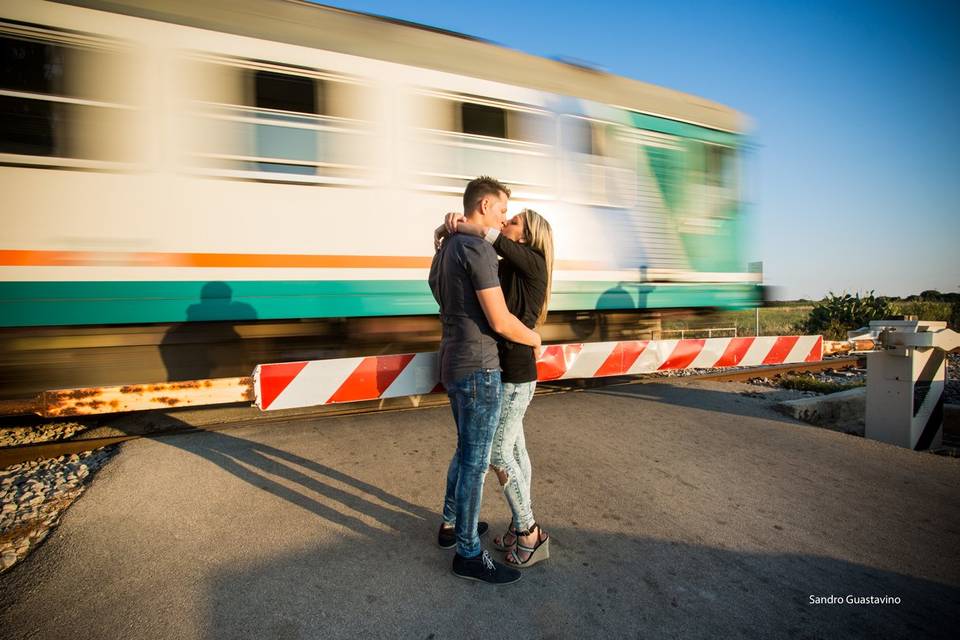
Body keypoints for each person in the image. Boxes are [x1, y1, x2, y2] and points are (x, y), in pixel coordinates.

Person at [429, 176, 541, 585]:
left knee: (465, 451)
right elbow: (499, 320)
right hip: (479, 366)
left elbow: (438, 290)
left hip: (452, 360)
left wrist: (444, 229)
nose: (503, 217)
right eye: (501, 210)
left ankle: (449, 525)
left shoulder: (445, 249)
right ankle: (468, 554)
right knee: (476, 462)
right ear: (484, 206)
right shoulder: (475, 248)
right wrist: (534, 337)